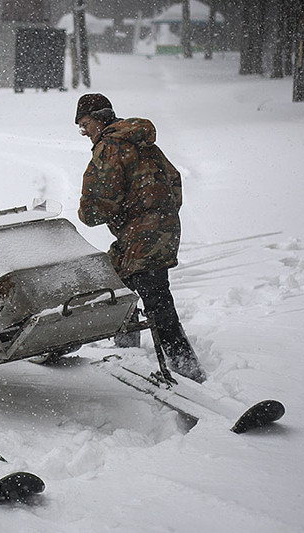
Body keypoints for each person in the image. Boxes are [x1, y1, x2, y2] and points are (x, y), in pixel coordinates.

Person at [74, 93, 206, 383]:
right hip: (162, 227)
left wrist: (91, 214)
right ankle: (129, 351)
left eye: (85, 124)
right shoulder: (143, 142)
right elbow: (173, 180)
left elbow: (101, 201)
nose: (84, 132)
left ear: (99, 119)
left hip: (140, 233)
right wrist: (160, 214)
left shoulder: (110, 147)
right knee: (118, 281)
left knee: (156, 300)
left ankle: (187, 371)